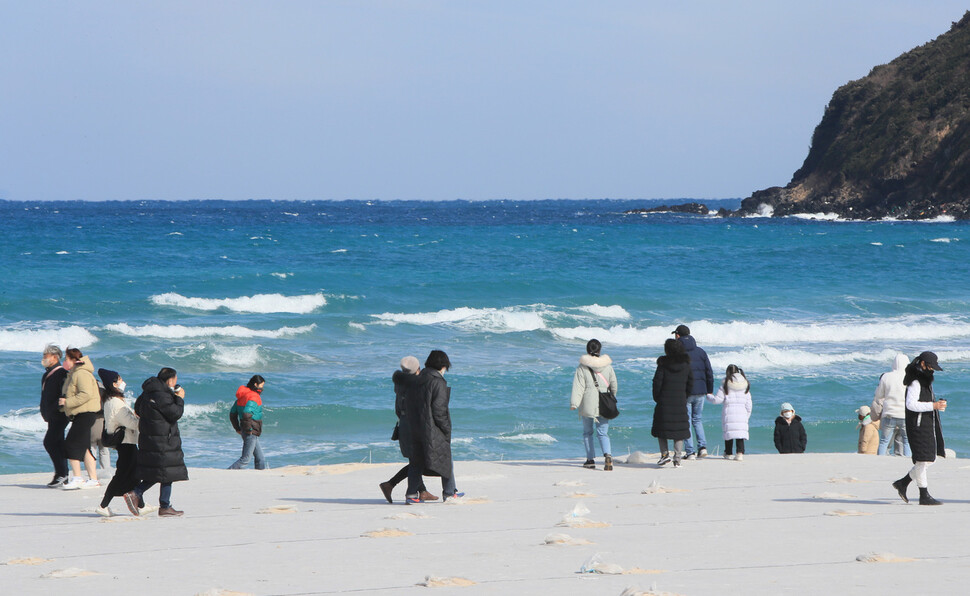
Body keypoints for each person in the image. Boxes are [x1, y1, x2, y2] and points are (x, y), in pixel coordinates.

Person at [123, 367, 188, 517]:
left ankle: (163, 504)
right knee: (165, 472)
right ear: (170, 380)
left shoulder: (148, 392)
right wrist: (179, 398)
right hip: (164, 439)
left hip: (149, 437)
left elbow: (137, 409)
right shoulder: (163, 395)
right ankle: (139, 494)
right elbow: (175, 413)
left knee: (161, 471)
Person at [404, 350, 463, 503]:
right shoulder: (438, 382)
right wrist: (446, 429)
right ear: (444, 365)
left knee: (416, 461)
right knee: (445, 458)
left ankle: (411, 495)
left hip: (415, 427)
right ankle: (449, 492)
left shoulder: (418, 378)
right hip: (432, 429)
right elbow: (439, 411)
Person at [380, 357, 438, 503]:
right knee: (418, 460)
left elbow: (398, 409)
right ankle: (401, 489)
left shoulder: (400, 384)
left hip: (404, 425)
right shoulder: (416, 385)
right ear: (418, 369)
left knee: (416, 460)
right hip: (415, 426)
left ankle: (422, 491)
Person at [892, 351, 947, 506]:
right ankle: (924, 495)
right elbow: (910, 404)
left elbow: (924, 402)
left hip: (925, 424)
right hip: (917, 426)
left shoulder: (925, 381)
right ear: (922, 364)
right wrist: (933, 406)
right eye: (931, 366)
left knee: (930, 458)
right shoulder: (915, 381)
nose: (933, 370)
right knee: (923, 460)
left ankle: (903, 483)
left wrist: (937, 406)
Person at [96, 369, 149, 516]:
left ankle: (141, 506)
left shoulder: (110, 400)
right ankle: (103, 506)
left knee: (133, 473)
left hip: (126, 442)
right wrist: (141, 417)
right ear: (113, 383)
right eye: (119, 379)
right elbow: (132, 423)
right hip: (126, 441)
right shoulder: (115, 403)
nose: (122, 382)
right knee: (123, 475)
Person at [570, 339, 618, 470]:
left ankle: (590, 460)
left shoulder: (582, 367)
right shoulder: (607, 366)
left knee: (587, 433)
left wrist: (574, 403)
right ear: (599, 350)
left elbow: (578, 387)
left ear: (587, 350)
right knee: (603, 433)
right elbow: (614, 385)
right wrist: (612, 397)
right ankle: (608, 455)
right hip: (604, 403)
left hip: (587, 403)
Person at [59, 348, 102, 490]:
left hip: (86, 413)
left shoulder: (82, 373)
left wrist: (67, 403)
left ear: (73, 360)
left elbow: (86, 394)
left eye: (66, 359)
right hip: (82, 413)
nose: (64, 362)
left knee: (71, 444)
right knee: (84, 448)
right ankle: (93, 479)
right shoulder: (76, 373)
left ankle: (77, 478)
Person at [673, 325, 714, 460]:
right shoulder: (701, 351)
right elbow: (709, 371)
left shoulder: (678, 353)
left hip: (685, 391)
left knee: (686, 421)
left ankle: (690, 452)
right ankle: (702, 448)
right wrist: (709, 389)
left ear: (678, 335)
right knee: (697, 420)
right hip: (701, 390)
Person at [652, 338, 693, 468]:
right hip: (680, 400)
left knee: (661, 428)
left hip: (664, 400)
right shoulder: (686, 365)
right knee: (679, 430)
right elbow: (690, 383)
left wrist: (657, 397)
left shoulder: (663, 364)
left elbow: (657, 382)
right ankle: (677, 459)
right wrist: (684, 396)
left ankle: (664, 455)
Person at [706, 364, 752, 461]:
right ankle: (740, 453)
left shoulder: (725, 384)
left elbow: (717, 400)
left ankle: (728, 452)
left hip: (729, 412)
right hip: (742, 413)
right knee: (740, 434)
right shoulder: (745, 385)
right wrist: (747, 415)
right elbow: (749, 404)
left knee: (729, 433)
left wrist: (708, 395)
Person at [40, 344, 69, 487]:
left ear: (55, 357)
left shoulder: (61, 373)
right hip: (51, 415)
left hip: (59, 414)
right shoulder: (46, 374)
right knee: (58, 443)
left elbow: (64, 394)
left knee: (49, 442)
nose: (44, 358)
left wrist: (56, 408)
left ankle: (62, 473)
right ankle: (62, 474)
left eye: (46, 356)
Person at [871, 353, 911, 456]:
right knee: (907, 442)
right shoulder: (910, 377)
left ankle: (880, 461)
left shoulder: (886, 376)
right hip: (905, 415)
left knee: (884, 441)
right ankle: (908, 462)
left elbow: (879, 395)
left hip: (889, 414)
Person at [229, 375, 268, 470]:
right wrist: (249, 429)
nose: (262, 388)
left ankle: (261, 475)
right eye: (261, 386)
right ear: (256, 384)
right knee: (245, 459)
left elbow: (233, 413)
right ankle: (228, 472)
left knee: (260, 458)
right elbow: (247, 413)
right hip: (250, 430)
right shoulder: (254, 396)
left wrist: (237, 428)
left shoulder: (242, 396)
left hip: (245, 429)